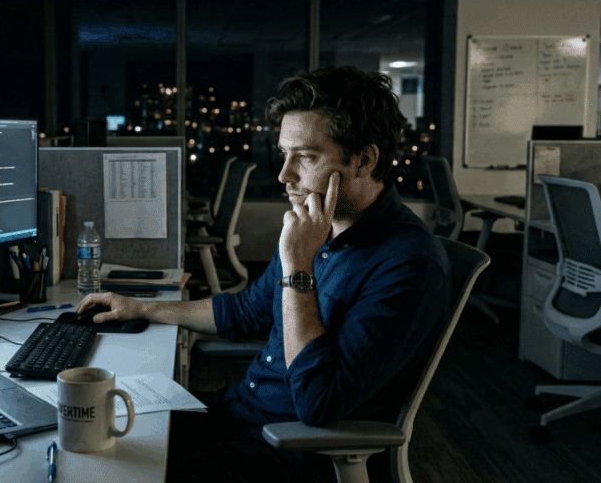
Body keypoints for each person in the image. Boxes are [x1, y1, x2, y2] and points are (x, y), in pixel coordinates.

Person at [77, 65, 452, 482]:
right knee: (90, 430)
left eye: (306, 157)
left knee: (109, 473)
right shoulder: (316, 228)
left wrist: (296, 267)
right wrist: (140, 308)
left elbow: (318, 402)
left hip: (290, 450)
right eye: (284, 154)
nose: (283, 174)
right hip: (237, 413)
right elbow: (247, 311)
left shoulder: (408, 263)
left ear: (365, 160)